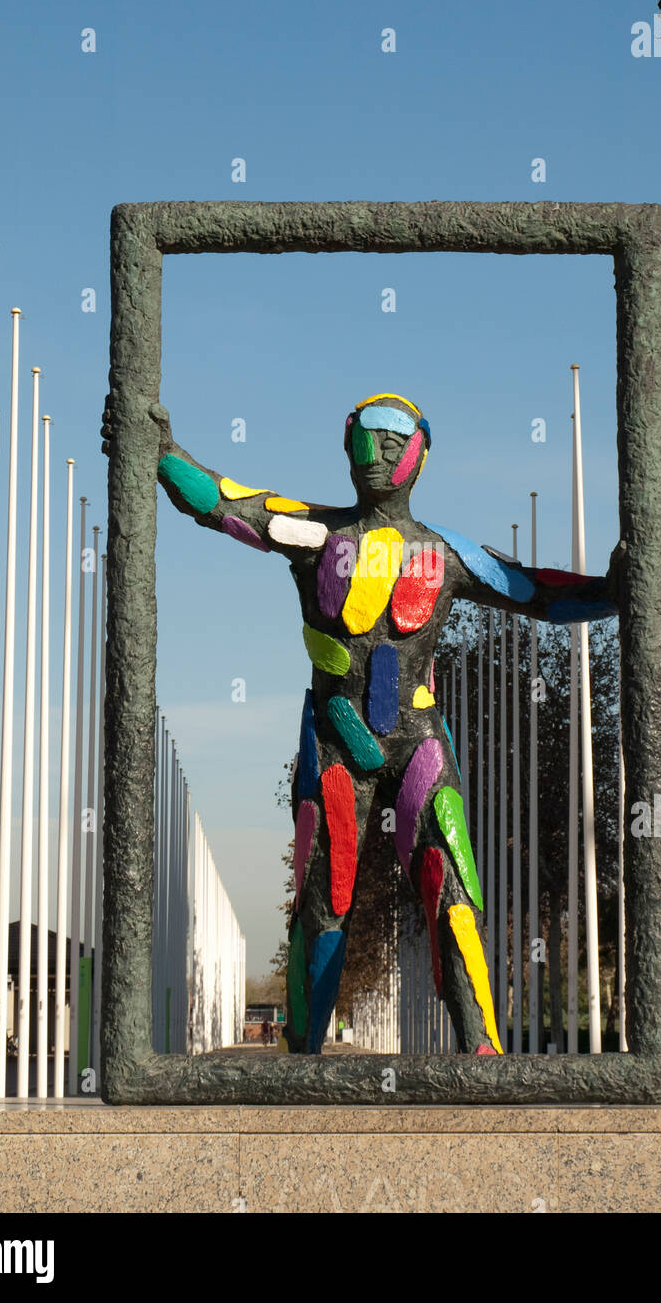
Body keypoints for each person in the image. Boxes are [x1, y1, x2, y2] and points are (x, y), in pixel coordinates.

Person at [122, 391, 621, 1054]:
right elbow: (223, 503)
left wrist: (613, 590)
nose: (378, 457)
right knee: (324, 898)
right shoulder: (317, 534)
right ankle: (301, 1057)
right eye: (367, 442)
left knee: (452, 891)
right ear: (346, 446)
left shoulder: (445, 556)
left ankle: (482, 1056)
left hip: (418, 742)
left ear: (419, 454)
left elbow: (532, 590)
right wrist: (160, 452)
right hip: (335, 737)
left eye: (393, 444)